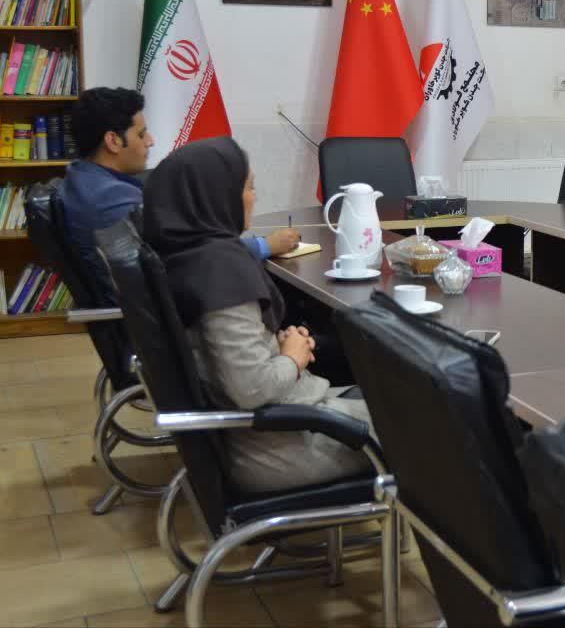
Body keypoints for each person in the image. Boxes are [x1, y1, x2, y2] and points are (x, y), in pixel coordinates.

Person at [142, 137, 373, 492]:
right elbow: (253, 388)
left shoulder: (185, 256)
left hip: (276, 430)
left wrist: (278, 347)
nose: (254, 197)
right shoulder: (218, 273)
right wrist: (292, 358)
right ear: (216, 197)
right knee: (431, 424)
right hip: (282, 446)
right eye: (248, 187)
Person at [62, 88, 300, 290]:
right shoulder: (112, 199)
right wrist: (266, 245)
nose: (151, 141)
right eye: (141, 134)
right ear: (113, 141)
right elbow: (187, 257)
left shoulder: (80, 177)